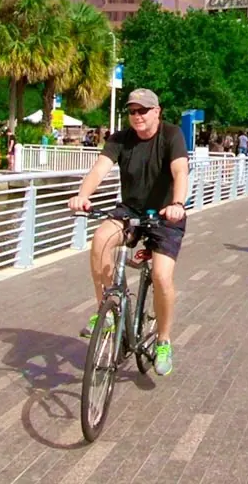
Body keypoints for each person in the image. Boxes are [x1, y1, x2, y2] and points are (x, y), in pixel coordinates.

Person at [67, 89, 188, 377]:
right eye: (132, 111)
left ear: (157, 112)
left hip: (165, 214)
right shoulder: (120, 139)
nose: (137, 117)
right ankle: (107, 311)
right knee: (100, 239)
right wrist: (83, 195)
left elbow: (180, 172)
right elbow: (99, 171)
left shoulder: (171, 135)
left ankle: (163, 340)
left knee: (161, 276)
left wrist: (178, 204)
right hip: (131, 211)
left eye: (143, 111)